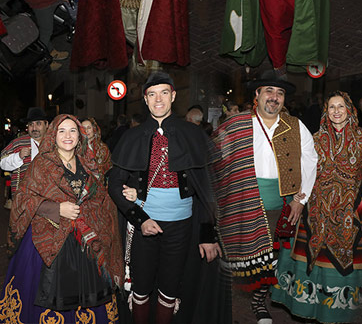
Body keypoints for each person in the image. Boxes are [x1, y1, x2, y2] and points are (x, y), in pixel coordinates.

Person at [108, 72, 225, 324]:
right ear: (145, 99)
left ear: (173, 96)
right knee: (140, 286)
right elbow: (114, 184)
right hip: (142, 226)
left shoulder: (192, 135)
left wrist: (208, 235)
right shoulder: (131, 136)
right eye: (152, 94)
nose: (158, 99)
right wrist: (140, 219)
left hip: (182, 227)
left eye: (163, 93)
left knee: (171, 287)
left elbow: (207, 189)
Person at [212, 71, 318, 324]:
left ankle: (259, 303)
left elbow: (310, 162)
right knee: (235, 256)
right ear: (257, 95)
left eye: (280, 93)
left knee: (268, 258)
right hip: (238, 202)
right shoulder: (236, 124)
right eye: (269, 91)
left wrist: (299, 200)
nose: (274, 97)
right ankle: (227, 304)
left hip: (277, 204)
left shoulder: (295, 126)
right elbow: (215, 161)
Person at [273, 92, 362, 322]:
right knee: (312, 256)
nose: (336, 111)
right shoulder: (314, 139)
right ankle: (314, 303)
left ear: (349, 110)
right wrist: (297, 199)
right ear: (326, 111)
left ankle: (346, 306)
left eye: (341, 107)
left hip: (355, 206)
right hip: (316, 208)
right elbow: (303, 173)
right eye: (332, 107)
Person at [0, 114, 123, 324]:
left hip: (86, 241)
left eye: (73, 130)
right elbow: (22, 199)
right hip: (49, 239)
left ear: (80, 136)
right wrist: (57, 208)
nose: (68, 135)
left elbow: (100, 198)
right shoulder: (41, 164)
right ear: (53, 135)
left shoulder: (88, 164)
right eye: (62, 131)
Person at [0, 108, 48, 208]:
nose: (34, 128)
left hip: (49, 199)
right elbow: (2, 163)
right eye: (31, 124)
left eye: (38, 123)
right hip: (24, 199)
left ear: (46, 124)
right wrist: (18, 157)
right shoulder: (18, 142)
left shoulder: (55, 142)